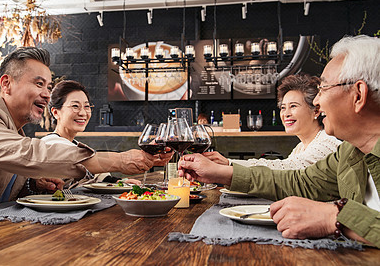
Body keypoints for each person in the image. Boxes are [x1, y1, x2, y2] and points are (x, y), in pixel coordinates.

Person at [179, 35, 380, 247]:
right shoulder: (350, 151)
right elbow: (300, 181)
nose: (318, 101)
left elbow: (292, 172)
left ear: (358, 95)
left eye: (324, 88)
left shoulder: (334, 145)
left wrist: (336, 217)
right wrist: (222, 172)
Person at [0, 47, 169, 214]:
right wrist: (118, 159)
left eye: (48, 86)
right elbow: (31, 154)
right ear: (6, 84)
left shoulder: (12, 133)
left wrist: (32, 186)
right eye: (38, 84)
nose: (46, 94)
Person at [204, 74, 341, 170]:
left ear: (316, 111)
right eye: (283, 108)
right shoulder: (300, 148)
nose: (286, 114)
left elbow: (285, 169)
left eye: (293, 106)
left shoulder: (326, 143)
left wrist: (229, 163)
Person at [41, 80, 141, 185]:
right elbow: (82, 162)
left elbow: (97, 175)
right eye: (75, 106)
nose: (83, 113)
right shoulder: (50, 143)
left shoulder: (73, 144)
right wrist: (123, 160)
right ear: (56, 112)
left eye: (87, 106)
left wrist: (119, 181)